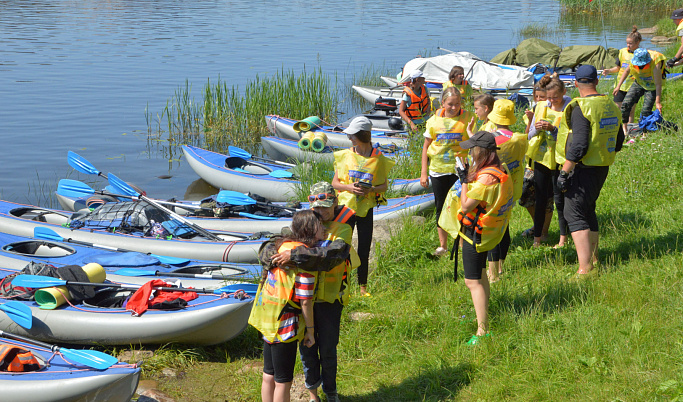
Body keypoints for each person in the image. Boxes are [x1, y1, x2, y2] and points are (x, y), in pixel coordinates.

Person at [266, 182, 359, 402]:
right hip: (302, 301)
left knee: (327, 348)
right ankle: (312, 394)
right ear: (311, 206)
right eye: (318, 208)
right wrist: (272, 256)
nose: (322, 212)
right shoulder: (306, 226)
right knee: (307, 348)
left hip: (329, 299)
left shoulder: (343, 229)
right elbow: (272, 245)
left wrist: (294, 256)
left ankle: (331, 392)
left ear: (336, 202)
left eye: (327, 207)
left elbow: (329, 255)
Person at [249, 210, 342, 402]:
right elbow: (305, 300)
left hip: (267, 318)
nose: (323, 230)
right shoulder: (306, 262)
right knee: (283, 380)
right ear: (310, 229)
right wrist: (310, 331)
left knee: (269, 375)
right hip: (285, 325)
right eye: (319, 226)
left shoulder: (281, 246)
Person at [438, 131, 514, 344]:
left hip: (475, 235)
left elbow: (465, 205)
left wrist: (462, 180)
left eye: (472, 149)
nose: (470, 152)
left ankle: (482, 330)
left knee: (472, 281)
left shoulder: (486, 178)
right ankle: (482, 317)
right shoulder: (498, 169)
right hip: (488, 233)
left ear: (480, 151)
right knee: (481, 276)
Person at [556, 65, 625, 277]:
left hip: (582, 168)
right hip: (601, 166)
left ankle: (585, 269)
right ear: (596, 81)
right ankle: (594, 258)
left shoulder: (581, 107)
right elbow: (619, 141)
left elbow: (579, 146)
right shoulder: (610, 105)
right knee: (588, 209)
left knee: (573, 214)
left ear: (576, 83)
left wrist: (564, 172)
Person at [332, 116, 394, 296]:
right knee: (343, 247)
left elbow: (384, 186)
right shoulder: (345, 155)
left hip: (366, 208)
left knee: (364, 248)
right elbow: (335, 183)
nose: (350, 139)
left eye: (353, 135)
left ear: (363, 136)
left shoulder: (378, 158)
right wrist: (349, 187)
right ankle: (343, 287)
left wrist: (371, 190)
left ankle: (363, 287)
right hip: (345, 208)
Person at [420, 87, 473, 256]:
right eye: (450, 104)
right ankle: (443, 246)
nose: (454, 107)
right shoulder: (433, 121)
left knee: (463, 206)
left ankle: (463, 242)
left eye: (457, 103)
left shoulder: (467, 117)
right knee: (441, 206)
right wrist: (423, 172)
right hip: (439, 170)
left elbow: (473, 142)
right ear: (443, 103)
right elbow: (426, 147)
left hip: (460, 170)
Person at [481, 99, 528, 281]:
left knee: (492, 230)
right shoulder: (518, 138)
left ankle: (492, 274)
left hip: (492, 189)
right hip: (511, 188)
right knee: (505, 227)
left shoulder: (490, 139)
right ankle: (500, 266)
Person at [527, 75, 572, 248]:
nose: (552, 101)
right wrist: (537, 129)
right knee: (540, 199)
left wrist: (554, 129)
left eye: (556, 97)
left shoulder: (569, 107)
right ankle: (537, 238)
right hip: (541, 158)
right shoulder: (541, 107)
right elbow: (530, 134)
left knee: (560, 199)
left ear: (564, 93)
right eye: (549, 98)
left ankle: (563, 239)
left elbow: (571, 134)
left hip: (560, 159)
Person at [614, 47, 665, 140]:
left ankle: (644, 133)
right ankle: (624, 129)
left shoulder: (655, 64)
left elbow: (658, 84)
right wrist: (618, 86)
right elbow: (626, 71)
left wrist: (658, 102)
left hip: (652, 87)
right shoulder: (634, 60)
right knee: (625, 105)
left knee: (646, 110)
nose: (640, 67)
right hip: (639, 83)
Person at [601, 26, 641, 124]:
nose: (628, 45)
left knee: (630, 110)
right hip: (620, 86)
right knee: (617, 109)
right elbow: (618, 67)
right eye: (627, 43)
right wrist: (609, 71)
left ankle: (629, 128)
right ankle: (618, 128)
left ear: (637, 43)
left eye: (630, 43)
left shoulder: (641, 54)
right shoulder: (622, 51)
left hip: (634, 86)